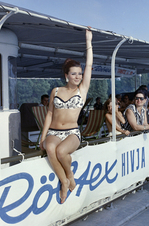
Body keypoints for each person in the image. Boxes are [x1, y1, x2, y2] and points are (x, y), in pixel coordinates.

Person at [39, 28, 93, 204]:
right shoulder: (55, 90)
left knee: (62, 151)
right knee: (50, 149)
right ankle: (64, 182)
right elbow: (49, 114)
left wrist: (88, 42)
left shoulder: (82, 90)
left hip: (72, 132)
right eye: (73, 73)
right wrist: (42, 137)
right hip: (53, 131)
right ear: (66, 75)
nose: (77, 76)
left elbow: (90, 65)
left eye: (79, 73)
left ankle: (69, 174)